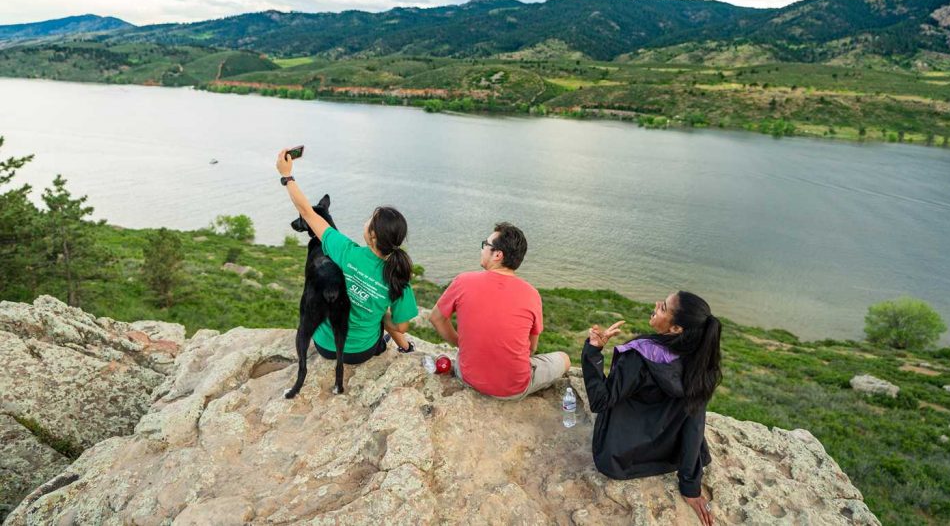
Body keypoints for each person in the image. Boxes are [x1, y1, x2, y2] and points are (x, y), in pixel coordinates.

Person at [583, 291, 722, 526]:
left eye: (664, 308)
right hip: (668, 450)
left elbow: (600, 401)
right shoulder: (701, 361)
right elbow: (695, 423)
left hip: (622, 453)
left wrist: (593, 351)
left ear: (676, 328)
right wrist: (690, 485)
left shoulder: (639, 356)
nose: (657, 305)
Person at [277, 148, 417, 363]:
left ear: (371, 235)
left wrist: (287, 176)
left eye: (370, 219)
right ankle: (394, 346)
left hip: (324, 346)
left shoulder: (346, 251)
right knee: (377, 317)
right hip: (360, 353)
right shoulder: (399, 277)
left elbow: (307, 212)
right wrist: (377, 314)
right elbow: (401, 326)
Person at [429, 222, 570, 399]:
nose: (482, 250)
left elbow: (436, 318)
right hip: (513, 390)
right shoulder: (532, 294)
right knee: (564, 358)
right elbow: (532, 348)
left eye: (485, 245)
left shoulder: (463, 281)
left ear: (497, 254)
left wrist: (461, 343)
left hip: (468, 377)